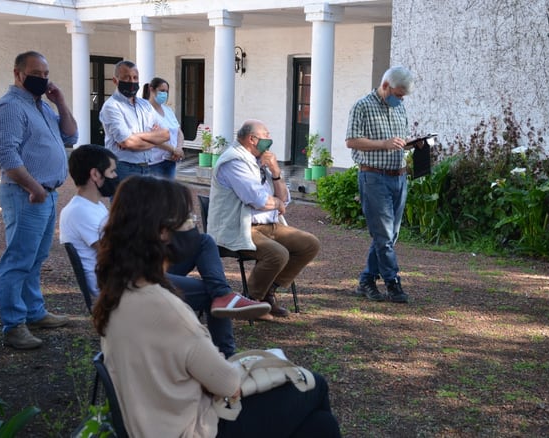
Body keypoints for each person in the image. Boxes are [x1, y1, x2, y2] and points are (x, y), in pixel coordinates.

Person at [93, 176, 341, 437]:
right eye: (188, 220)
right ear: (163, 232)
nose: (194, 229)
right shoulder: (165, 307)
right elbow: (227, 383)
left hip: (156, 419)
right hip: (193, 427)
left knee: (320, 425)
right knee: (316, 386)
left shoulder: (120, 289)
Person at [59, 147, 269, 357]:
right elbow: (117, 254)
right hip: (126, 286)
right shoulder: (81, 211)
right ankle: (227, 353)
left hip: (133, 275)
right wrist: (160, 236)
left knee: (202, 241)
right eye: (113, 172)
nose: (116, 177)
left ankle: (223, 296)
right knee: (207, 291)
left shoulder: (92, 206)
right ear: (95, 174)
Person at [0, 50, 78, 349]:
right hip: (26, 194)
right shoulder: (10, 108)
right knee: (18, 259)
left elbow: (70, 136)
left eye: (45, 74)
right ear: (17, 74)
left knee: (36, 258)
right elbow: (5, 155)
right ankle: (14, 326)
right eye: (35, 73)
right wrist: (33, 187)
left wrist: (61, 103)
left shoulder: (41, 106)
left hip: (45, 194)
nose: (42, 78)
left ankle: (34, 311)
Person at [207, 120, 320, 319]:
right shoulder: (233, 161)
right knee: (278, 254)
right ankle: (251, 301)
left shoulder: (259, 160)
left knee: (309, 244)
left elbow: (285, 198)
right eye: (266, 135)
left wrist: (276, 173)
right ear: (252, 139)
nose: (269, 140)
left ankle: (269, 292)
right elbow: (257, 199)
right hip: (238, 227)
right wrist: (277, 203)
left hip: (267, 225)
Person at [345, 65, 416, 304]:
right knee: (384, 235)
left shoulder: (399, 108)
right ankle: (393, 283)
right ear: (385, 86)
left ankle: (366, 281)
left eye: (403, 96)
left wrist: (412, 144)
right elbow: (351, 141)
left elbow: (399, 141)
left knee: (389, 235)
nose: (400, 99)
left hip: (399, 176)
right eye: (397, 94)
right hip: (374, 176)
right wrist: (383, 144)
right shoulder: (362, 106)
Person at [99, 60, 178, 180]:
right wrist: (153, 138)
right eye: (126, 78)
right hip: (123, 168)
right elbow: (128, 143)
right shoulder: (112, 106)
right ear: (115, 81)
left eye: (135, 78)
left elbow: (166, 134)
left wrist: (134, 136)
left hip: (147, 167)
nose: (132, 81)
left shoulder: (145, 105)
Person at [142, 77, 185, 179]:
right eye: (161, 91)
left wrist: (178, 149)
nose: (164, 94)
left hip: (171, 160)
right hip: (154, 163)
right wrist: (174, 150)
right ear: (152, 90)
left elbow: (179, 132)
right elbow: (151, 138)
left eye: (166, 91)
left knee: (169, 193)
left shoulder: (168, 110)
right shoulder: (146, 111)